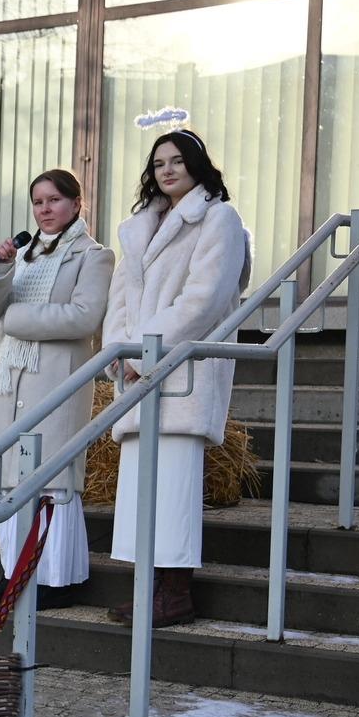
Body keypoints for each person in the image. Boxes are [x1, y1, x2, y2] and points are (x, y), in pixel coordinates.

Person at [102, 130, 251, 627]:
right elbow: (119, 300)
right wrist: (119, 352)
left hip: (183, 370)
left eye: (177, 161)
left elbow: (204, 300)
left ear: (197, 165)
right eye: (159, 163)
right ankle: (149, 589)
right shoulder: (139, 228)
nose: (167, 170)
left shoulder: (219, 219)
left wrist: (144, 351)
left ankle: (176, 592)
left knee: (174, 487)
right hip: (138, 370)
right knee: (140, 490)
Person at [0, 169, 114, 610]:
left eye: (54, 200)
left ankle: (57, 579)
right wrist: (0, 270)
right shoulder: (23, 254)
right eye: (38, 202)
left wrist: (16, 320)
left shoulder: (94, 256)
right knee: (6, 480)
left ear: (76, 203)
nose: (45, 209)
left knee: (52, 482)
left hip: (54, 380)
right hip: (9, 376)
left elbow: (85, 317)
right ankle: (14, 572)